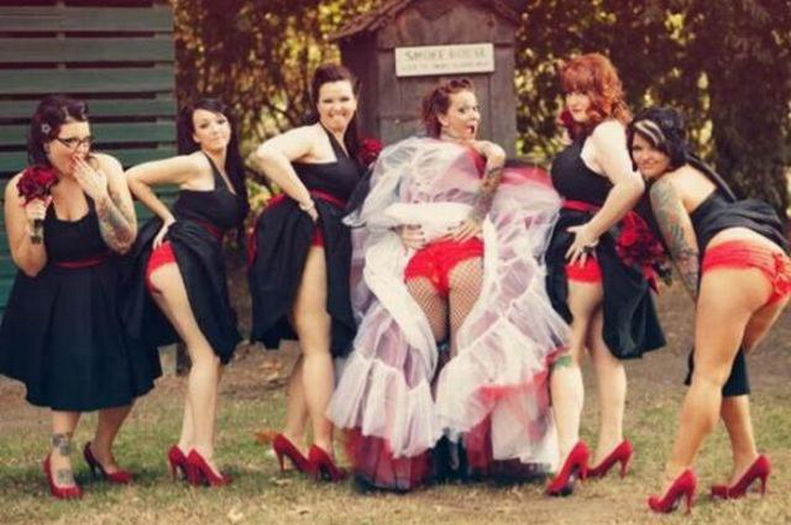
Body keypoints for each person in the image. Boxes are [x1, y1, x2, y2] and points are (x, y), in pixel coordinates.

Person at [327, 78, 569, 491]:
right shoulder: (453, 154)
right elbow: (383, 210)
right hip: (437, 258)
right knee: (443, 351)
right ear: (441, 116)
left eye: (475, 109)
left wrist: (454, 215)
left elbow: (391, 207)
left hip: (448, 258)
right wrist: (412, 225)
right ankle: (452, 451)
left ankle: (445, 452)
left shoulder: (446, 154)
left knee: (445, 351)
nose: (473, 116)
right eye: (463, 109)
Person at [627, 107, 789, 513]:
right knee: (722, 362)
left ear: (671, 146)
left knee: (707, 373)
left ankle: (674, 476)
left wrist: (707, 306)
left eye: (652, 147)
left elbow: (687, 256)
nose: (643, 156)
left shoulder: (664, 188)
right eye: (636, 148)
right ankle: (747, 462)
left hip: (734, 257)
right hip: (775, 261)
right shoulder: (700, 173)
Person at [0, 95, 160, 499]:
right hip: (58, 290)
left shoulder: (105, 167)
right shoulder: (22, 186)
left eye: (86, 139)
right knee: (68, 378)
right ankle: (59, 457)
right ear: (45, 140)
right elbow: (30, 264)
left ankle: (101, 448)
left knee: (128, 378)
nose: (80, 150)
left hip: (109, 282)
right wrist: (36, 225)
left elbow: (124, 241)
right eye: (70, 141)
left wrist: (102, 198)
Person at [544, 53, 666, 496]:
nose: (575, 100)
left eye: (585, 91)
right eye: (570, 92)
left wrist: (592, 230)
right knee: (601, 350)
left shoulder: (607, 132)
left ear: (604, 92)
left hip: (586, 254)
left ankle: (566, 453)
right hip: (598, 256)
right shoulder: (595, 133)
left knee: (565, 350)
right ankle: (611, 443)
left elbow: (631, 184)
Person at [248, 64, 363, 481]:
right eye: (328, 100)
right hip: (309, 242)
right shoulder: (312, 136)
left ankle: (293, 437)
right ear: (316, 104)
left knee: (317, 345)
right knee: (318, 347)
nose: (337, 107)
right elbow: (266, 153)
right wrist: (305, 200)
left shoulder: (344, 144)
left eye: (344, 99)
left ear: (356, 100)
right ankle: (323, 446)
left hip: (328, 244)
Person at [124, 98, 248, 487]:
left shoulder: (227, 170)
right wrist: (167, 217)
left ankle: (185, 446)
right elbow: (134, 177)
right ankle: (203, 453)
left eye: (220, 121)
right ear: (194, 135)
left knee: (215, 354)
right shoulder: (196, 163)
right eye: (205, 125)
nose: (215, 129)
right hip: (177, 257)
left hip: (196, 260)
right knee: (205, 354)